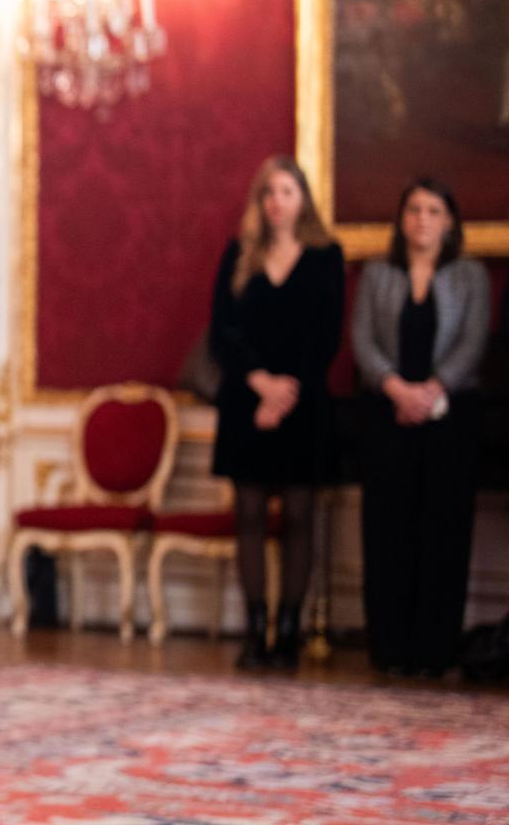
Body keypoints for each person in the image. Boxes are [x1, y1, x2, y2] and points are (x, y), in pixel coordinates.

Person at [209, 155, 345, 670]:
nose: (277, 201)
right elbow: (223, 330)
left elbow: (326, 336)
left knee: (299, 517)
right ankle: (255, 629)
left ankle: (288, 631)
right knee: (247, 514)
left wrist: (285, 393)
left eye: (286, 191)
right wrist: (260, 385)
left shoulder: (325, 256)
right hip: (246, 402)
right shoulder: (238, 254)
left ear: (302, 199)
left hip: (304, 404)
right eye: (268, 192)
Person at [351, 178, 491, 676]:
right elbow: (363, 340)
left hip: (450, 420)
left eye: (433, 210)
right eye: (413, 209)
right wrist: (397, 389)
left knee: (443, 533)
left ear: (449, 220)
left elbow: (475, 341)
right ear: (401, 218)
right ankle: (390, 648)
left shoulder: (470, 276)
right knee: (388, 533)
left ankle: (434, 650)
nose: (422, 219)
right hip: (387, 418)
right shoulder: (377, 274)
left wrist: (432, 390)